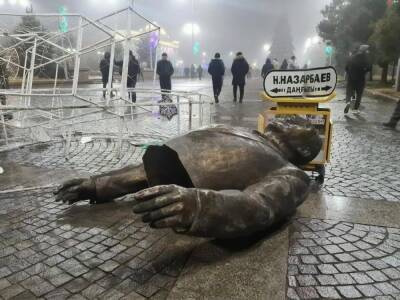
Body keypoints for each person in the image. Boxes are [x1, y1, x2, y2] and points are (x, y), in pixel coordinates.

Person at [55, 116, 322, 240]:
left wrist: (198, 206)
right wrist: (98, 185)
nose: (291, 118)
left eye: (302, 124)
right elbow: (144, 173)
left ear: (305, 148)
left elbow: (259, 205)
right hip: (168, 161)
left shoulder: (293, 174)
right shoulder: (248, 132)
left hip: (193, 193)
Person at [344, 45, 371, 114]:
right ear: (365, 51)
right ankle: (356, 108)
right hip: (361, 79)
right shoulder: (366, 59)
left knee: (349, 92)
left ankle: (348, 102)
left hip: (351, 78)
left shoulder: (352, 57)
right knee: (359, 94)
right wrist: (364, 72)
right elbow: (369, 68)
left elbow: (346, 68)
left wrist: (349, 74)